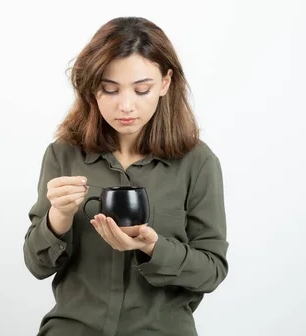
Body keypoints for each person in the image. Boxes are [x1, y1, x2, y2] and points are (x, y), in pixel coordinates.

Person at [22, 17, 229, 336]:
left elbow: (212, 271)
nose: (126, 105)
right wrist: (58, 218)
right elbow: (37, 266)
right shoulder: (64, 155)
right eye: (110, 89)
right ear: (92, 88)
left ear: (165, 83)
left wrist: (154, 247)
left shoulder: (197, 162)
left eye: (142, 89)